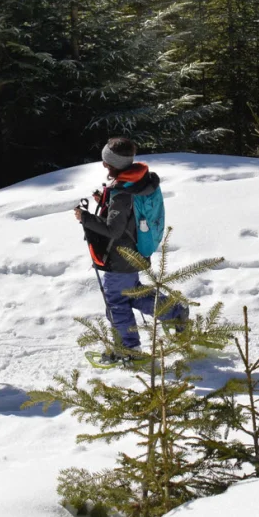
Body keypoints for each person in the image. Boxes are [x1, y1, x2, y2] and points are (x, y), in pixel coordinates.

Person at [74, 137, 188, 364]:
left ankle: (129, 349)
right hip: (134, 252)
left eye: (107, 162)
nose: (104, 165)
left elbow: (114, 230)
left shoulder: (122, 193)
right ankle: (174, 312)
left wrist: (85, 217)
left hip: (120, 257)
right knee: (131, 293)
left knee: (116, 301)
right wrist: (105, 200)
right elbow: (128, 215)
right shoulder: (138, 181)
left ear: (115, 164)